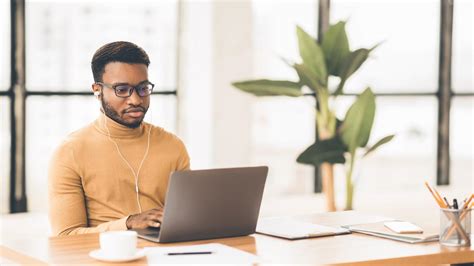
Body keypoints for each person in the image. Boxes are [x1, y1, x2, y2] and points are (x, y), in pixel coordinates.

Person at [48, 41, 190, 236]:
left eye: (143, 88)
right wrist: (128, 224)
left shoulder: (173, 145)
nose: (136, 100)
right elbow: (65, 236)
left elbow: (187, 218)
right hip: (102, 257)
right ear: (97, 90)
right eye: (122, 90)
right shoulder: (70, 151)